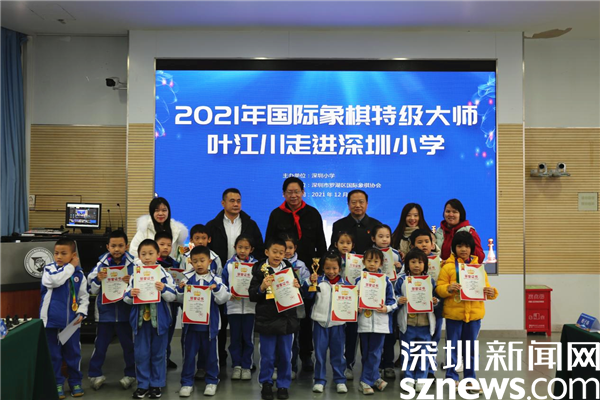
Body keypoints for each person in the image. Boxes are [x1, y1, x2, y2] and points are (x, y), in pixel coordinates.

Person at [265, 177, 326, 372]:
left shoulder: (312, 213)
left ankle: (306, 355)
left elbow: (321, 243)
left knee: (305, 317)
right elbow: (268, 242)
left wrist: (318, 272)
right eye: (289, 192)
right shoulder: (276, 214)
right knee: (283, 317)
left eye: (297, 191)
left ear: (303, 192)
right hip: (281, 276)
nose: (293, 195)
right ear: (284, 194)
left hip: (305, 274)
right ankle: (284, 358)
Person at [436, 231, 498, 393]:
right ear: (454, 248)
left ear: (472, 248)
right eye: (459, 246)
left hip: (474, 316)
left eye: (467, 246)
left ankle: (470, 379)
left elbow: (486, 288)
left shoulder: (478, 268)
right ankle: (452, 378)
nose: (463, 249)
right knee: (452, 348)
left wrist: (492, 292)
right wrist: (448, 288)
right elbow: (439, 289)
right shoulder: (448, 267)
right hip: (454, 315)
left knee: (470, 349)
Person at [249, 238, 302, 400]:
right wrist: (262, 287)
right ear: (267, 252)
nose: (278, 255)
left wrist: (297, 285)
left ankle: (283, 385)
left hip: (287, 319)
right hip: (266, 319)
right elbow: (252, 294)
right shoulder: (260, 270)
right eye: (275, 252)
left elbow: (297, 293)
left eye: (281, 252)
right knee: (267, 356)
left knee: (286, 355)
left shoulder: (289, 269)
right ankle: (266, 383)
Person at [123, 239, 176, 399]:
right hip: (140, 322)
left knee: (159, 354)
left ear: (157, 254)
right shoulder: (136, 275)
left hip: (159, 322)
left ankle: (156, 384)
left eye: (151, 253)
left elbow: (173, 296)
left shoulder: (164, 274)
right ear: (139, 256)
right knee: (141, 354)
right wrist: (131, 294)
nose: (147, 257)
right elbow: (126, 297)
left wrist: (163, 289)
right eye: (143, 254)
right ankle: (142, 385)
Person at [177, 246, 231, 397]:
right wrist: (180, 290)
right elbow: (179, 299)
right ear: (190, 262)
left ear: (209, 261)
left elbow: (224, 298)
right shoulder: (187, 278)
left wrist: (217, 289)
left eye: (202, 260)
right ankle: (186, 382)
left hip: (210, 326)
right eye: (195, 261)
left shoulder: (216, 279)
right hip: (191, 326)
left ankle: (212, 381)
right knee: (189, 356)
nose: (199, 264)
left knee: (211, 356)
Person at [87, 230, 136, 391]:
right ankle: (94, 374)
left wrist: (131, 281)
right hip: (105, 314)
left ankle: (131, 374)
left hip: (125, 314)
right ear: (108, 246)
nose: (117, 249)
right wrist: (98, 279)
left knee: (129, 346)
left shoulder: (134, 265)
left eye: (120, 245)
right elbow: (91, 289)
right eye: (113, 246)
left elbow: (139, 287)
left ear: (126, 246)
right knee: (100, 346)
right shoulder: (100, 265)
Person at [41, 238, 89, 399]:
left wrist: (82, 312)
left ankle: (75, 382)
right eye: (56, 253)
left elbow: (84, 296)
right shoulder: (49, 269)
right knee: (54, 355)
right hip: (51, 322)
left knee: (73, 354)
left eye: (63, 253)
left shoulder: (79, 274)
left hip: (72, 323)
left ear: (73, 255)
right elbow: (55, 281)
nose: (59, 257)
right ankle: (57, 383)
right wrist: (70, 267)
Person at [395, 248, 439, 392]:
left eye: (420, 262)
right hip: (407, 323)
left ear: (425, 265)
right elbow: (394, 296)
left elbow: (436, 298)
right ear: (407, 264)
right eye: (413, 262)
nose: (416, 265)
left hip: (425, 324)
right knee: (407, 352)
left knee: (423, 353)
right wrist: (399, 300)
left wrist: (435, 301)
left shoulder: (429, 281)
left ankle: (421, 378)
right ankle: (408, 378)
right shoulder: (401, 280)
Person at [306, 251, 350, 394]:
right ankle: (319, 380)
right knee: (319, 354)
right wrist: (310, 282)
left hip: (338, 325)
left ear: (340, 268)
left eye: (334, 268)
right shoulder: (318, 281)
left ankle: (340, 380)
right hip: (320, 323)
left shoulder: (346, 285)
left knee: (338, 354)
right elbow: (307, 296)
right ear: (322, 268)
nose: (331, 271)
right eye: (327, 268)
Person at [355, 248, 396, 395]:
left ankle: (365, 381)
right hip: (364, 323)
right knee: (366, 352)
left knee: (376, 352)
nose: (372, 264)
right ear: (363, 262)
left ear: (381, 263)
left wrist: (386, 308)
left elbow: (393, 301)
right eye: (369, 261)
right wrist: (357, 307)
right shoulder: (359, 280)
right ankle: (374, 377)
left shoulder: (386, 280)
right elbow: (353, 300)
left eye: (376, 261)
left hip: (380, 323)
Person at [221, 234, 258, 381]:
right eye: (240, 247)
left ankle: (247, 366)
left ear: (251, 249)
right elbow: (223, 283)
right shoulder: (229, 265)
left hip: (250, 307)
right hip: (233, 307)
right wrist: (228, 294)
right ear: (235, 247)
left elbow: (258, 283)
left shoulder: (256, 265)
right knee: (235, 338)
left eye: (246, 248)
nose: (242, 250)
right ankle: (236, 365)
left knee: (248, 339)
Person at [408, 228, 443, 379]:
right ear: (412, 245)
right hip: (415, 309)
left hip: (436, 306)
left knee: (434, 338)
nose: (424, 245)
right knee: (414, 341)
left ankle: (429, 369)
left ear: (432, 244)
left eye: (427, 241)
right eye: (419, 242)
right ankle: (413, 370)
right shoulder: (409, 263)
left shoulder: (441, 262)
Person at [371, 224, 401, 379]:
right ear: (373, 238)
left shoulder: (395, 254)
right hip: (372, 300)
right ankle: (374, 365)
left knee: (390, 334)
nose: (384, 239)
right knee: (373, 335)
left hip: (390, 300)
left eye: (387, 236)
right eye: (380, 236)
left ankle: (388, 364)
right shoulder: (368, 255)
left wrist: (399, 267)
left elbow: (402, 276)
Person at [331, 232, 360, 380]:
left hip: (352, 301)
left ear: (353, 245)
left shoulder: (359, 260)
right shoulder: (331, 259)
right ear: (336, 244)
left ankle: (349, 365)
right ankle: (338, 365)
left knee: (351, 335)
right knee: (337, 336)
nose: (345, 246)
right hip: (336, 301)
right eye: (341, 242)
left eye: (348, 243)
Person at [282, 234, 310, 379]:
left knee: (294, 340)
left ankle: (292, 367)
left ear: (295, 248)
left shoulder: (301, 265)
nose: (287, 251)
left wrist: (303, 284)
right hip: (279, 309)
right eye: (285, 248)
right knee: (279, 340)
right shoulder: (275, 264)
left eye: (290, 248)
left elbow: (307, 284)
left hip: (296, 308)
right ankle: (278, 367)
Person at [154, 231, 181, 370]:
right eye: (162, 244)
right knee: (158, 334)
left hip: (172, 303)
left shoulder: (175, 263)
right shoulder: (151, 264)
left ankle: (166, 357)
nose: (165, 247)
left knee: (169, 332)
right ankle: (157, 360)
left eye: (169, 245)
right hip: (156, 304)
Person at [330, 190, 382, 255]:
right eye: (354, 202)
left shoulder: (376, 225)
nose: (357, 205)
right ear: (348, 205)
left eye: (361, 202)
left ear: (367, 204)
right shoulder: (338, 225)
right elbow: (333, 249)